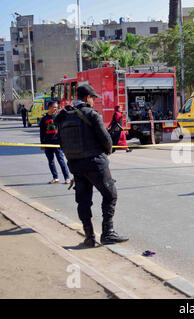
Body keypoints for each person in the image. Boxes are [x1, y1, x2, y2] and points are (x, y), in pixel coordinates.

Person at [55, 84, 128, 247]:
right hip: (95, 163)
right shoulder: (91, 114)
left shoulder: (63, 116)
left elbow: (60, 142)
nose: (94, 101)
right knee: (110, 195)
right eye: (93, 98)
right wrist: (107, 151)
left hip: (75, 165)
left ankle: (89, 237)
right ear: (87, 97)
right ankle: (108, 233)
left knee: (83, 201)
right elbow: (106, 140)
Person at [39, 101, 71, 184]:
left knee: (61, 160)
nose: (55, 109)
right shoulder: (44, 119)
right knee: (51, 161)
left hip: (57, 142)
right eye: (54, 107)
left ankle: (67, 178)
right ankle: (55, 177)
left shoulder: (59, 117)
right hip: (47, 143)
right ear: (49, 107)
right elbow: (42, 133)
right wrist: (42, 144)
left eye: (56, 107)